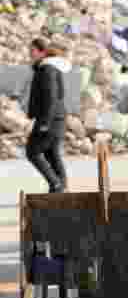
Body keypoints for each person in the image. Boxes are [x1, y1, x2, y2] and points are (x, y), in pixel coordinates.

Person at [26, 36, 71, 193]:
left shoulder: (47, 69)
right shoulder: (49, 68)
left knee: (32, 151)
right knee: (51, 153)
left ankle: (56, 184)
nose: (30, 54)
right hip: (56, 118)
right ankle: (61, 186)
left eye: (32, 51)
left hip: (50, 120)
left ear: (42, 52)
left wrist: (44, 122)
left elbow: (51, 96)